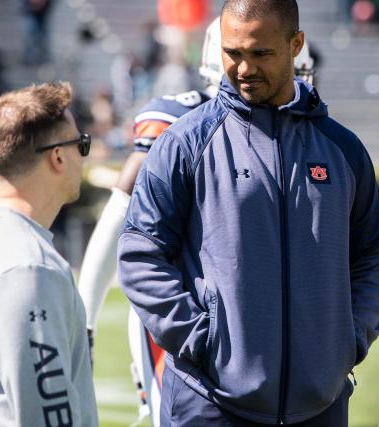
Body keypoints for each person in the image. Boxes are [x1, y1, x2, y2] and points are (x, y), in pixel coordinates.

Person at [117, 0, 379, 424]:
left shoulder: (343, 149)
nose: (245, 68)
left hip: (320, 406)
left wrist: (348, 338)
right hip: (208, 403)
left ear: (295, 44)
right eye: (234, 53)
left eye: (260, 53)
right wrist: (200, 341)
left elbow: (375, 252)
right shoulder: (185, 142)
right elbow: (140, 255)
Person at [78, 15, 317, 425]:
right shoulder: (185, 122)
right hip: (185, 317)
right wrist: (85, 317)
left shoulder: (304, 130)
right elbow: (122, 217)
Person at [0, 82, 97, 426]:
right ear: (59, 156)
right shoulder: (30, 268)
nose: (85, 154)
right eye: (83, 144)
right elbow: (46, 412)